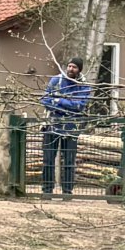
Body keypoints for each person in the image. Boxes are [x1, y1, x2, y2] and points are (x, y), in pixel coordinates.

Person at [40, 57, 94, 197]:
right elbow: (45, 100)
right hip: (52, 124)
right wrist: (65, 104)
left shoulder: (84, 85)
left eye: (74, 67)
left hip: (71, 126)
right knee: (48, 159)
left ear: (79, 70)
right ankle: (47, 190)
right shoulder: (56, 81)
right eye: (69, 66)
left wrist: (58, 100)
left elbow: (79, 106)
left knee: (69, 160)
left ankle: (67, 192)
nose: (71, 69)